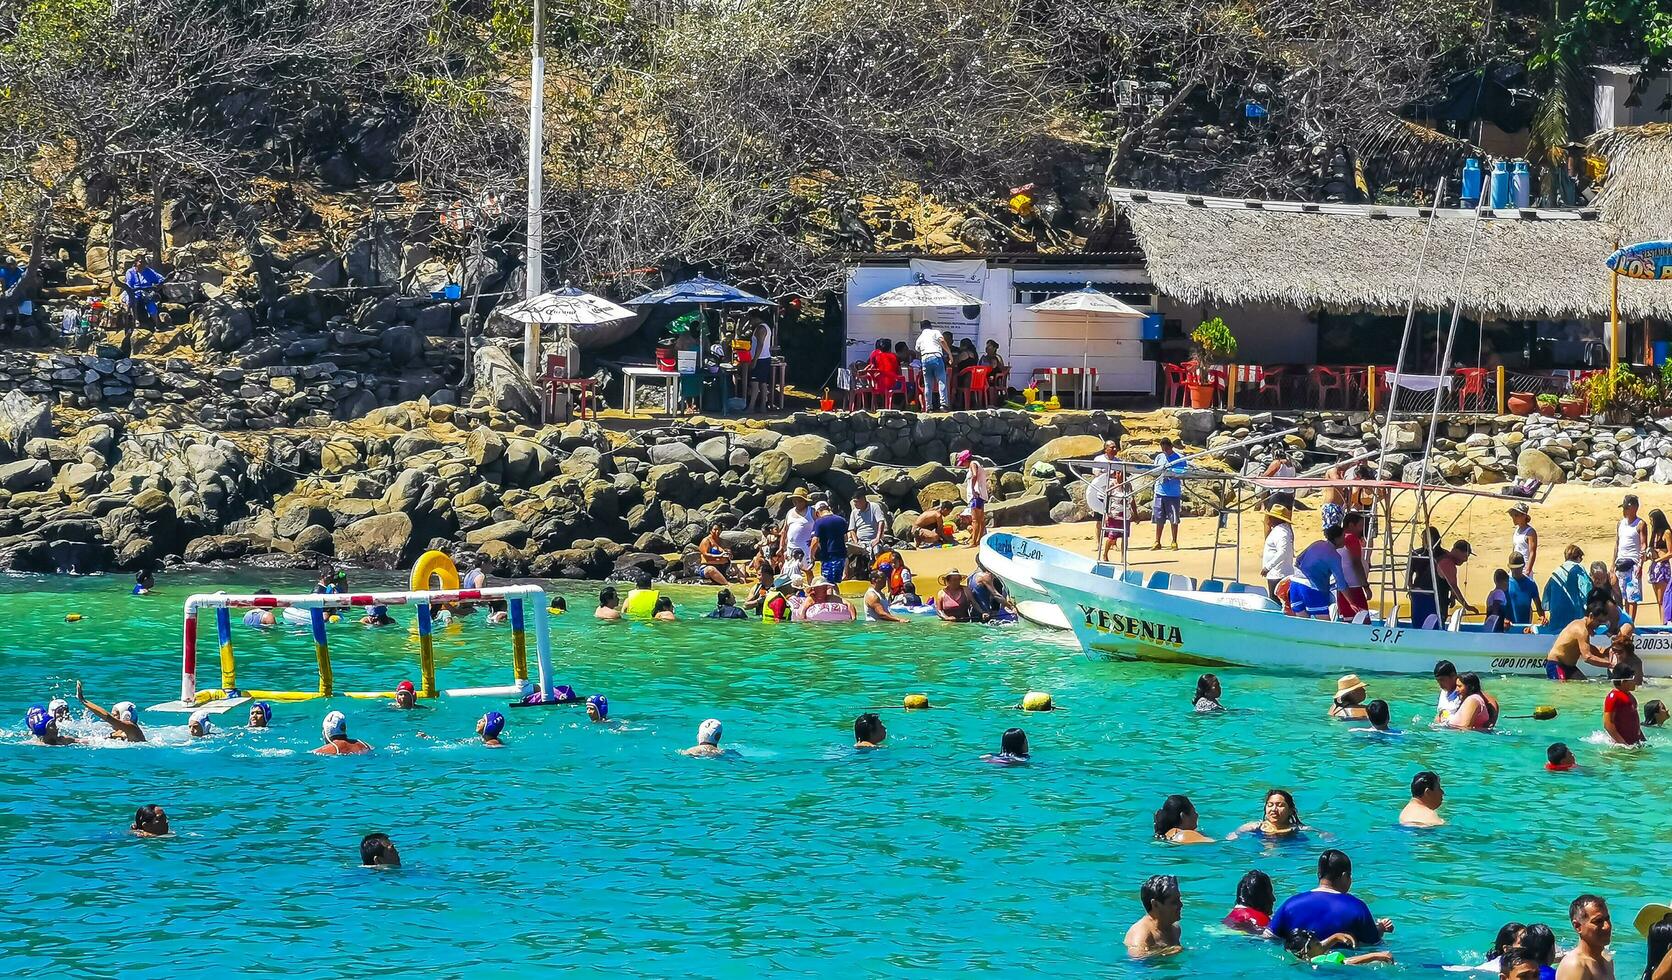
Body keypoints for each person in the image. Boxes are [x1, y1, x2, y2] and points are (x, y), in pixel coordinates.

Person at [1267, 849, 1393, 946]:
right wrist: (1380, 928)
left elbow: (1269, 937)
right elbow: (1372, 944)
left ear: (1318, 874)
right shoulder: (1356, 907)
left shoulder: (1291, 904)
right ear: (1344, 876)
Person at [1290, 526, 1348, 619]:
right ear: (1337, 539)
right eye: (1343, 536)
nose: (1345, 539)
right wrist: (1352, 603)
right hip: (1311, 588)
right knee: (1325, 626)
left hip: (1295, 584)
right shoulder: (1334, 556)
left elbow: (1298, 559)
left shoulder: (1317, 543)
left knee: (1302, 626)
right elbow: (1341, 583)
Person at [1546, 599, 1613, 680]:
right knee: (1562, 691)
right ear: (1591, 616)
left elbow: (1587, 648)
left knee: (1584, 686)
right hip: (1556, 665)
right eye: (1598, 621)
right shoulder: (1582, 630)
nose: (1599, 625)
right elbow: (1587, 657)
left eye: (1602, 622)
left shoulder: (1583, 625)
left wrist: (1606, 654)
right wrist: (1611, 664)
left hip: (1570, 667)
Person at [1123, 874, 1183, 959]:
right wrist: (1166, 952)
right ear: (1155, 905)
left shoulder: (1175, 929)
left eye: (1179, 899)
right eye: (1174, 902)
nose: (1181, 905)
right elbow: (1136, 962)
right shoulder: (1141, 935)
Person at [1556, 894, 1614, 980]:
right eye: (1598, 921)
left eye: (1607, 918)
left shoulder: (1607, 960)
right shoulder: (1575, 966)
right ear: (1577, 926)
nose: (1607, 926)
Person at [1545, 545, 1595, 633]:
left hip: (1556, 620)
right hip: (1573, 619)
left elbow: (1546, 600)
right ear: (1578, 557)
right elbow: (1587, 593)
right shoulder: (1579, 569)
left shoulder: (1555, 572)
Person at [1285, 928, 1395, 967]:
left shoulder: (1300, 958)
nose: (1322, 944)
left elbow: (1317, 949)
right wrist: (1377, 955)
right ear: (1306, 950)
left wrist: (1335, 937)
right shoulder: (1319, 962)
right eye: (1318, 944)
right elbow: (1347, 962)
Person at [75, 682, 144, 742]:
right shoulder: (120, 734)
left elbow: (107, 716)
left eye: (114, 715)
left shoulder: (132, 728)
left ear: (125, 716)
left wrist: (83, 701)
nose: (112, 717)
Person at [1149, 438, 1186, 550]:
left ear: (1171, 447)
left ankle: (1174, 541)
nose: (1164, 450)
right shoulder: (1159, 457)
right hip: (1160, 492)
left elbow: (1183, 471)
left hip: (1173, 493)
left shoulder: (1179, 458)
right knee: (1159, 518)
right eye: (1162, 448)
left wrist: (1172, 474)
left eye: (1166, 448)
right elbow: (1154, 471)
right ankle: (1157, 541)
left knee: (1173, 519)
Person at [1618, 494, 1650, 621]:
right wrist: (1612, 565)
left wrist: (1641, 565)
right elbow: (1617, 544)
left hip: (1633, 564)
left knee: (1632, 597)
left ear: (1634, 508)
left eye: (1626, 508)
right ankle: (1625, 621)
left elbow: (1643, 545)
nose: (1624, 511)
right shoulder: (1620, 524)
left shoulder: (1640, 524)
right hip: (1620, 563)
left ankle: (1631, 622)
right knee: (1623, 596)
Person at [1336, 512, 1372, 618]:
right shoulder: (1351, 538)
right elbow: (1356, 563)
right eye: (1360, 526)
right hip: (1354, 587)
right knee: (1362, 620)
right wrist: (1366, 586)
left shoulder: (1338, 538)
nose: (1361, 529)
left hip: (1343, 587)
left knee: (1348, 619)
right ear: (1351, 525)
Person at [1232, 788, 1307, 837]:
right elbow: (1234, 835)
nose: (1274, 809)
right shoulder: (1253, 827)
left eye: (1280, 805)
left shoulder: (1298, 829)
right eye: (1270, 805)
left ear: (1290, 810)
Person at [1603, 663, 1646, 747]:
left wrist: (1643, 740)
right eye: (1633, 679)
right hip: (1623, 746)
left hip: (1633, 743)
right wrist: (1623, 744)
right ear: (1623, 682)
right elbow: (1607, 724)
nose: (1636, 682)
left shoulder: (1630, 696)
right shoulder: (1613, 697)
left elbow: (1634, 722)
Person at [1436, 539, 1478, 622]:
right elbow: (1454, 587)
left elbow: (1451, 588)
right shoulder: (1448, 563)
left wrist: (1452, 596)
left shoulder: (1447, 558)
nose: (1466, 560)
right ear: (1457, 551)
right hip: (1435, 604)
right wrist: (1466, 606)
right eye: (1465, 555)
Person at [914, 319, 952, 411]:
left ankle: (928, 407)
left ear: (921, 328)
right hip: (936, 357)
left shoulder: (920, 338)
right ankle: (943, 404)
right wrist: (949, 354)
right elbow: (942, 341)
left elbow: (917, 349)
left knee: (928, 384)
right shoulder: (935, 332)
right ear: (930, 326)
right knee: (941, 381)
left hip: (925, 359)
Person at [1260, 505, 1295, 602]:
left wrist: (1268, 567)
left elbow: (1282, 552)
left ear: (1276, 519)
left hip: (1278, 574)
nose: (1268, 519)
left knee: (1276, 600)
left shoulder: (1281, 533)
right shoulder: (1280, 531)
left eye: (1270, 517)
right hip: (1276, 573)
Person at [809, 501, 850, 583]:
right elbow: (846, 538)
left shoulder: (819, 522)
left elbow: (815, 541)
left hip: (828, 557)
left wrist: (811, 555)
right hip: (841, 556)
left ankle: (834, 596)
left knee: (828, 583)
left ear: (817, 513)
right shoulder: (841, 520)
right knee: (834, 583)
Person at [122, 255, 167, 328]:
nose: (143, 264)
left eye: (144, 262)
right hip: (134, 292)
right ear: (136, 262)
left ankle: (157, 323)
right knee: (131, 300)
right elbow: (129, 285)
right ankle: (136, 320)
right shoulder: (130, 272)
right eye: (140, 262)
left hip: (146, 292)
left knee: (151, 304)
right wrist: (133, 291)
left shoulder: (148, 271)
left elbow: (161, 279)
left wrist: (157, 286)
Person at [958, 450, 989, 550]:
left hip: (976, 496)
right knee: (980, 520)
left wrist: (972, 488)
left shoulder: (972, 464)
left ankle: (973, 542)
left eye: (963, 463)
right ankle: (979, 541)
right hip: (981, 496)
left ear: (966, 460)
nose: (963, 465)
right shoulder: (977, 464)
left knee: (975, 521)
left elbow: (974, 475)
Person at [847, 491, 887, 566]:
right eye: (854, 502)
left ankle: (877, 570)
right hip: (859, 541)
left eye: (856, 502)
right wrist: (856, 542)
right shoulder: (854, 512)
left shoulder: (874, 507)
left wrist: (878, 538)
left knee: (877, 551)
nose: (855, 504)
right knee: (847, 551)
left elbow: (881, 522)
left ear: (863, 500)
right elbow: (851, 529)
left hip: (873, 539)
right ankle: (848, 573)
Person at [1508, 553, 1547, 626]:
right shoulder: (1505, 583)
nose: (1515, 571)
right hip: (1508, 627)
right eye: (1513, 568)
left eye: (1518, 568)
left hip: (1525, 627)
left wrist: (1543, 618)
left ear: (1523, 566)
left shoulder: (1531, 584)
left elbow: (1538, 606)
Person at [781, 488, 816, 571]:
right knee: (790, 571)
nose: (796, 503)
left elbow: (821, 527)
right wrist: (782, 547)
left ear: (804, 501)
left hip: (806, 548)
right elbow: (785, 530)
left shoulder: (812, 512)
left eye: (799, 501)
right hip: (791, 548)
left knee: (808, 571)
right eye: (794, 501)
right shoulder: (789, 512)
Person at [1651, 509, 1672, 625]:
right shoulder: (1655, 533)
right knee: (1658, 600)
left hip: (1663, 567)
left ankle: (1664, 623)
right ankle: (1661, 622)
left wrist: (1659, 559)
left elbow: (1670, 552)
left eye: (1652, 520)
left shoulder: (1667, 533)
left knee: (1663, 599)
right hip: (1654, 568)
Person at [1509, 501, 1540, 578]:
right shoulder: (1517, 530)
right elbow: (1514, 549)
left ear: (1524, 516)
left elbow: (1532, 552)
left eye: (1516, 515)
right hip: (1514, 568)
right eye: (1512, 515)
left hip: (1524, 569)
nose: (1514, 518)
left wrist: (1528, 570)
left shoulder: (1530, 532)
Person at [1433, 660, 1463, 725]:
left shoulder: (1464, 690)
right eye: (1438, 681)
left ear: (1453, 676)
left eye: (1442, 680)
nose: (1440, 684)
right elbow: (1441, 712)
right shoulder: (1444, 691)